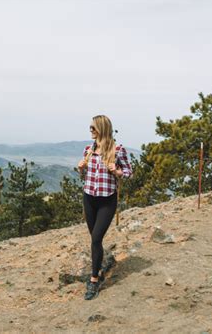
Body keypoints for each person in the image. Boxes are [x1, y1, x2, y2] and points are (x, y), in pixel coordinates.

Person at [77, 115, 132, 300]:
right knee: (95, 240)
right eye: (90, 127)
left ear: (102, 129)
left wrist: (117, 171)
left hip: (107, 200)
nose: (90, 130)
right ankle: (98, 269)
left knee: (96, 238)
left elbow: (129, 172)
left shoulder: (118, 150)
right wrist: (81, 168)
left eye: (93, 128)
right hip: (89, 198)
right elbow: (84, 176)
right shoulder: (88, 150)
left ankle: (94, 280)